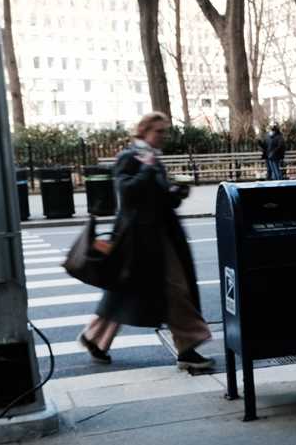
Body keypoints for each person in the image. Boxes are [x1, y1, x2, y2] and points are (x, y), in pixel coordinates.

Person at [78, 113, 213, 370]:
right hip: (140, 239)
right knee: (173, 289)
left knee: (128, 290)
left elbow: (159, 200)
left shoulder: (152, 157)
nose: (164, 136)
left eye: (165, 131)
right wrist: (148, 168)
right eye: (159, 131)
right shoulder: (129, 157)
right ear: (144, 131)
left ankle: (94, 337)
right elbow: (127, 194)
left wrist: (177, 193)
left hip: (159, 236)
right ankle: (187, 347)